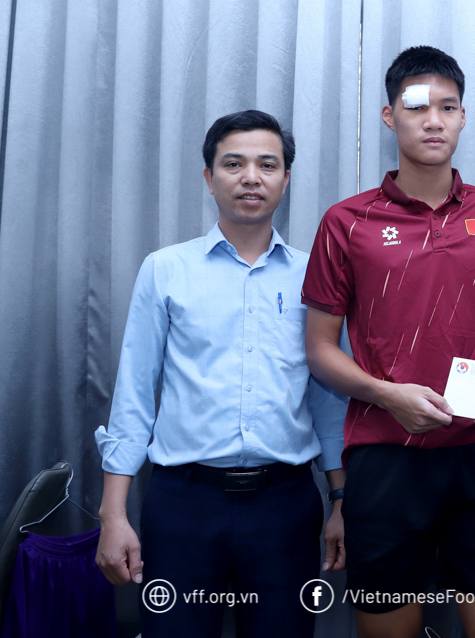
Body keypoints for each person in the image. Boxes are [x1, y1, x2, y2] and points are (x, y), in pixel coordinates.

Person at [303, 46, 475, 638]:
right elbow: (320, 350)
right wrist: (388, 395)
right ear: (389, 116)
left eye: (448, 107)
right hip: (386, 460)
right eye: (416, 107)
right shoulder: (346, 222)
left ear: (463, 117)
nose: (433, 120)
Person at [93, 110, 348, 638]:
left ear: (286, 179)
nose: (251, 177)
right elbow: (134, 395)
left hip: (284, 506)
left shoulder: (314, 276)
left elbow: (329, 402)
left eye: (267, 165)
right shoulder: (165, 269)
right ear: (209, 178)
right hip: (183, 505)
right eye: (234, 164)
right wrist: (112, 515)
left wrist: (341, 500)